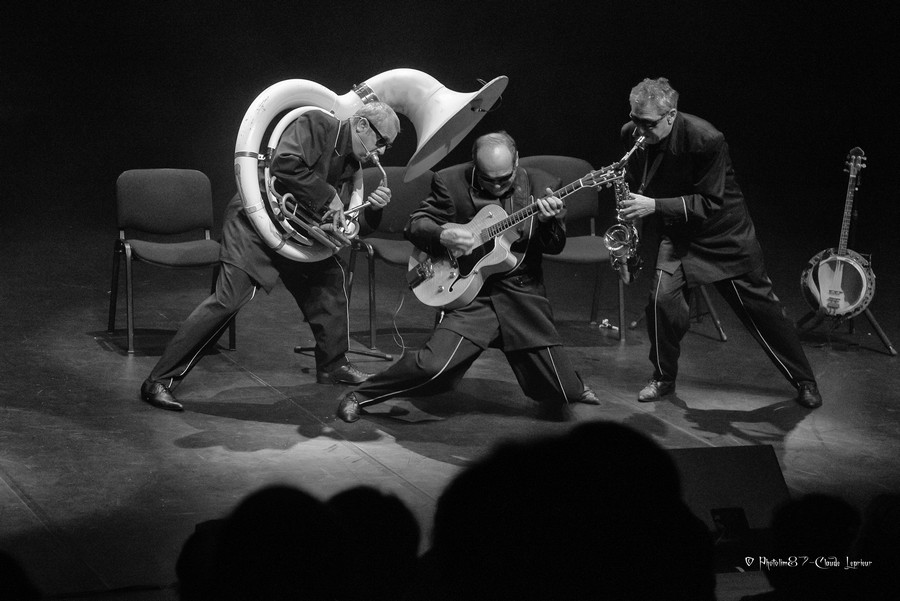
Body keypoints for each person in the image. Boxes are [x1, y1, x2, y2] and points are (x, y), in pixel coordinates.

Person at [141, 102, 400, 410]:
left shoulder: (352, 166)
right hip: (255, 222)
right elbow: (284, 165)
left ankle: (333, 365)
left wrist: (374, 209)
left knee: (332, 276)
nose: (381, 152)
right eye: (382, 141)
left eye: (387, 146)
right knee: (229, 300)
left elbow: (351, 227)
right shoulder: (320, 124)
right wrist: (328, 195)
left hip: (293, 233)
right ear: (361, 125)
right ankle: (159, 380)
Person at [336, 131, 600, 423]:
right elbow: (416, 224)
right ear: (475, 166)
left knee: (566, 392)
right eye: (489, 179)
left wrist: (551, 221)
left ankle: (567, 385)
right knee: (432, 367)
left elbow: (554, 246)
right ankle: (360, 396)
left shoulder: (543, 185)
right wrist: (442, 235)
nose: (497, 186)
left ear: (516, 161)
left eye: (505, 179)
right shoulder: (451, 181)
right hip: (472, 294)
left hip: (521, 293)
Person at [617, 77, 823, 408]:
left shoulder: (707, 139)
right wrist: (630, 233)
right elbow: (636, 187)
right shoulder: (633, 133)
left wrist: (653, 206)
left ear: (671, 115)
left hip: (724, 235)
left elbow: (709, 202)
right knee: (660, 303)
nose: (640, 129)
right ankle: (663, 377)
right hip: (680, 235)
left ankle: (804, 380)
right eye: (635, 119)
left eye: (648, 123)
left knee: (763, 312)